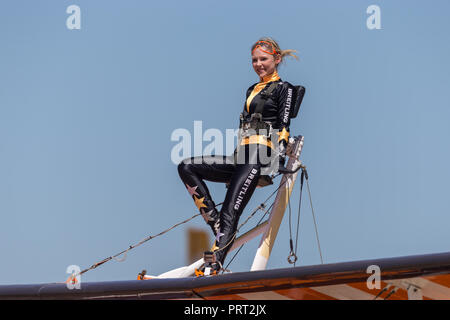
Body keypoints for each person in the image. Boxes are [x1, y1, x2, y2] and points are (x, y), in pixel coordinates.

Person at [178, 37, 302, 274]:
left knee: (230, 212)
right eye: (254, 60)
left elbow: (284, 123)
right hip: (240, 156)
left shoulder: (284, 89)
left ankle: (215, 262)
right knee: (186, 167)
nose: (258, 64)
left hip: (259, 157)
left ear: (276, 59)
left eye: (263, 59)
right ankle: (216, 224)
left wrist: (283, 146)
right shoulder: (251, 89)